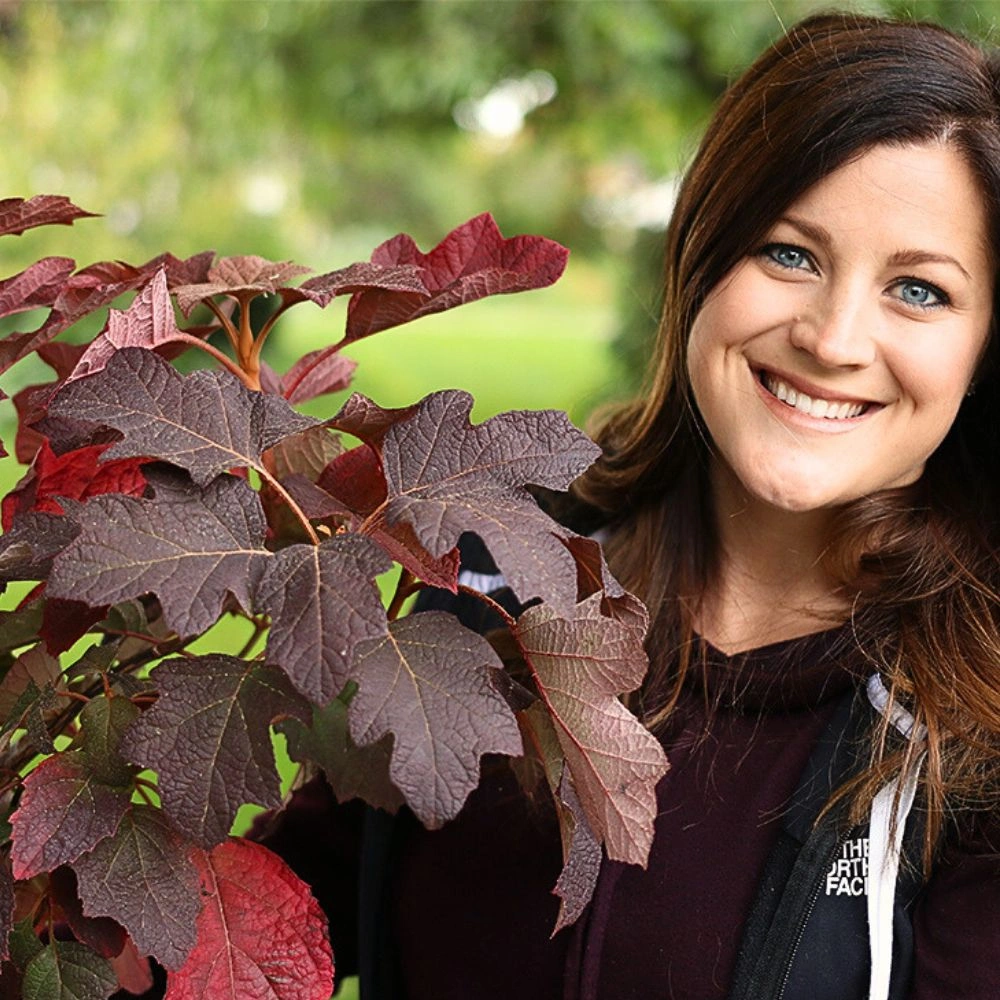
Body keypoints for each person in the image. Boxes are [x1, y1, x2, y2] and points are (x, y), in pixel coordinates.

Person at [258, 12, 1000, 1000]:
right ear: (701, 256)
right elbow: (262, 927)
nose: (832, 338)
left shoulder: (973, 726)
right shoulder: (491, 569)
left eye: (917, 290)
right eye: (790, 254)